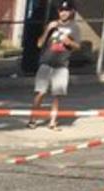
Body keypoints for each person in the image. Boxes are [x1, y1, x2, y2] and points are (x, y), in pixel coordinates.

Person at [29, 1, 81, 130]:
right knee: (40, 92)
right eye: (61, 10)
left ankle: (52, 121)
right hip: (46, 63)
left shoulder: (74, 27)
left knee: (56, 95)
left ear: (71, 12)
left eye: (66, 10)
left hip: (61, 65)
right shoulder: (52, 25)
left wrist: (69, 42)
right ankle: (33, 119)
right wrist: (48, 29)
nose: (63, 13)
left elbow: (78, 46)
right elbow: (39, 44)